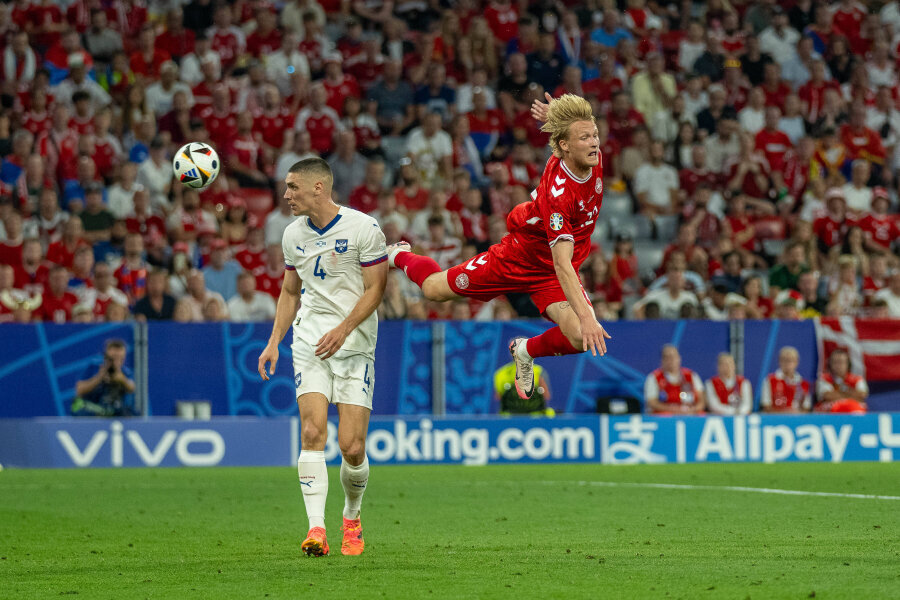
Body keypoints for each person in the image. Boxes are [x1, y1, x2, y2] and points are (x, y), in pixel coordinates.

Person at [386, 94, 611, 402]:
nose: (595, 143)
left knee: (580, 338)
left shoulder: (589, 157)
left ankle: (524, 351)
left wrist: (557, 116)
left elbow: (559, 266)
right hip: (517, 258)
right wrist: (587, 314)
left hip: (550, 272)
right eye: (585, 137)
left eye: (595, 135)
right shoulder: (560, 194)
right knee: (434, 290)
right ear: (564, 147)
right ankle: (398, 254)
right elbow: (562, 263)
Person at [257, 158, 388, 557]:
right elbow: (290, 292)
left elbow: (375, 289)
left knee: (352, 446)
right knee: (313, 432)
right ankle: (317, 529)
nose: (286, 195)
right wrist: (274, 340)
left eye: (293, 187)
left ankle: (352, 516)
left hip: (354, 344)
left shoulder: (364, 228)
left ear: (318, 188)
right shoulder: (292, 234)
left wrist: (344, 329)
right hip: (310, 341)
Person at [71, 339, 137, 416]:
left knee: (132, 414)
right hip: (91, 409)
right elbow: (79, 390)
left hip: (114, 411)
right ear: (106, 356)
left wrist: (121, 378)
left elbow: (132, 388)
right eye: (113, 358)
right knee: (78, 405)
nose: (116, 361)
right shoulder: (94, 366)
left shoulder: (125, 372)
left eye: (120, 358)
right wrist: (99, 377)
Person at [644, 345, 705, 414]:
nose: (671, 360)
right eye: (667, 357)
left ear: (679, 358)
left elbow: (701, 401)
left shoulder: (691, 375)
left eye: (673, 356)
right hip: (665, 416)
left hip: (689, 413)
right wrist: (674, 410)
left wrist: (693, 409)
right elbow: (652, 403)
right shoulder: (653, 378)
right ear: (662, 360)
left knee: (701, 414)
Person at [815, 348, 869, 412]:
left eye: (841, 362)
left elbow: (862, 395)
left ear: (848, 364)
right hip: (830, 413)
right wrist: (851, 393)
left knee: (858, 407)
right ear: (830, 364)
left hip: (854, 410)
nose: (838, 366)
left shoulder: (857, 379)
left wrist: (839, 393)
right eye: (835, 362)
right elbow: (828, 396)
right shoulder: (824, 378)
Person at [760, 346, 812, 413]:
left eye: (792, 360)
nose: (788, 363)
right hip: (775, 420)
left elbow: (806, 408)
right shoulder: (770, 380)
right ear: (779, 361)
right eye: (785, 360)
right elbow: (766, 406)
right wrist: (786, 414)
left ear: (797, 362)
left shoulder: (803, 384)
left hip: (797, 419)